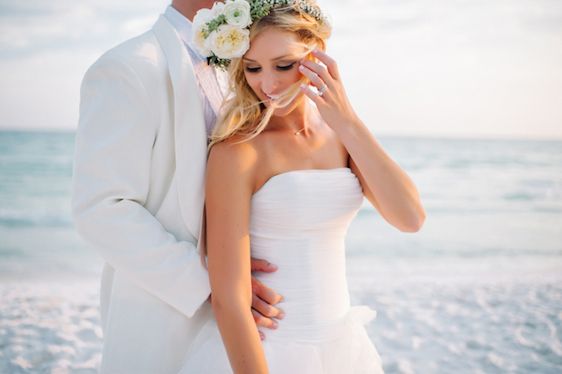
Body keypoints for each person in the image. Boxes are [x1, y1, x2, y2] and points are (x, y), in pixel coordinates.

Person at [179, 0, 426, 373]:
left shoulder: (341, 137)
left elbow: (409, 217)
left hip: (342, 349)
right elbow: (229, 299)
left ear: (316, 55)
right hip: (268, 352)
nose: (268, 83)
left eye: (284, 65)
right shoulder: (237, 151)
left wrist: (348, 121)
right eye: (252, 68)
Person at [71, 1, 285, 373]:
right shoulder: (128, 67)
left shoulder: (253, 64)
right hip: (168, 318)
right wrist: (216, 285)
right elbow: (101, 209)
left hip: (261, 321)